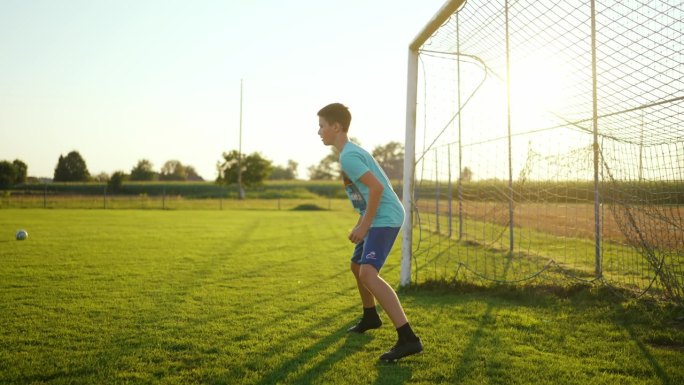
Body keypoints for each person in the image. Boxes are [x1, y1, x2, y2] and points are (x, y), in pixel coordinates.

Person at [317, 102, 423, 361]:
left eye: (321, 126)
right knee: (357, 266)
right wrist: (362, 221)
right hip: (374, 217)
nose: (318, 131)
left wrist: (365, 225)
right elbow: (366, 193)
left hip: (385, 218)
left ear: (336, 126)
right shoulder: (349, 153)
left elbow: (376, 190)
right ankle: (370, 316)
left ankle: (409, 338)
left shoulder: (349, 156)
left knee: (368, 273)